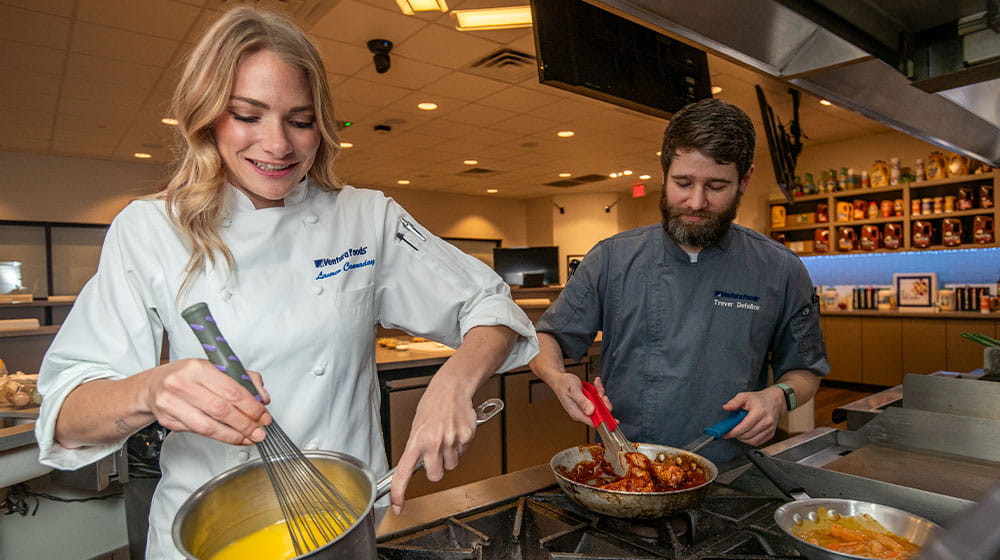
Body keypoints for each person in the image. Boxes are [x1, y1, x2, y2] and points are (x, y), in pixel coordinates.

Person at [34, 7, 538, 559]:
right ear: (207, 117)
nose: (277, 145)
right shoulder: (151, 228)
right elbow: (65, 412)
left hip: (342, 525)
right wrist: (151, 391)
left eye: (299, 121)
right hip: (207, 535)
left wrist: (454, 382)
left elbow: (492, 306)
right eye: (247, 115)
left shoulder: (366, 219)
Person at [529, 98, 828, 468]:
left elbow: (806, 371)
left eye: (716, 186)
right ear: (664, 171)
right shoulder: (612, 258)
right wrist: (558, 378)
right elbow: (548, 337)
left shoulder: (780, 269)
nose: (696, 201)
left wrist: (778, 397)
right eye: (683, 183)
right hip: (624, 468)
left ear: (744, 180)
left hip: (730, 470)